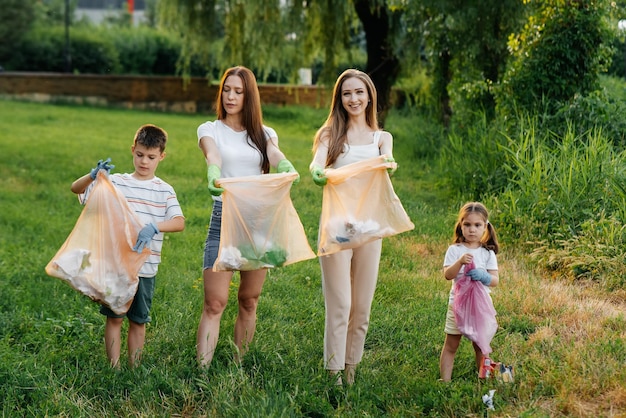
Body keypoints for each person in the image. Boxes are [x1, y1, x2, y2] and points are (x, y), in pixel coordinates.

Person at [196, 65, 300, 368]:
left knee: (249, 300)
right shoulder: (210, 129)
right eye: (226, 89)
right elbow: (212, 154)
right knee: (215, 302)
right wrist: (213, 171)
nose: (230, 96)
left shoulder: (265, 133)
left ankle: (239, 365)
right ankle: (201, 372)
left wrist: (283, 165)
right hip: (224, 216)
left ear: (248, 95)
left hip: (258, 221)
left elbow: (274, 153)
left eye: (238, 91)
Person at [70, 124, 185, 368]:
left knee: (139, 321)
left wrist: (155, 226)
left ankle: (134, 368)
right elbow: (76, 190)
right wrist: (92, 176)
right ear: (132, 150)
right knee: (114, 319)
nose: (144, 162)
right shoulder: (117, 183)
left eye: (151, 157)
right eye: (140, 155)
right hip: (118, 266)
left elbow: (179, 222)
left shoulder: (164, 190)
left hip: (146, 268)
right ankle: (114, 368)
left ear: (161, 157)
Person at [309, 69, 397, 385]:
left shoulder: (380, 138)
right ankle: (332, 374)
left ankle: (350, 370)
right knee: (340, 306)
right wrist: (318, 171)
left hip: (369, 231)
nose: (354, 99)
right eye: (347, 93)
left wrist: (387, 161)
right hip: (336, 228)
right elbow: (317, 162)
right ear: (340, 98)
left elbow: (387, 156)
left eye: (359, 92)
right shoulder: (330, 136)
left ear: (369, 95)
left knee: (361, 309)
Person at [439, 202, 500, 382]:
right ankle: (445, 381)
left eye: (477, 225)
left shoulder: (487, 253)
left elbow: (495, 280)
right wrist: (459, 262)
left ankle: (483, 378)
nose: (472, 229)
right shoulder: (455, 250)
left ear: (485, 226)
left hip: (480, 307)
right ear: (461, 225)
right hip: (457, 306)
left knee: (480, 346)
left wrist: (483, 276)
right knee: (451, 344)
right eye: (467, 224)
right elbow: (448, 275)